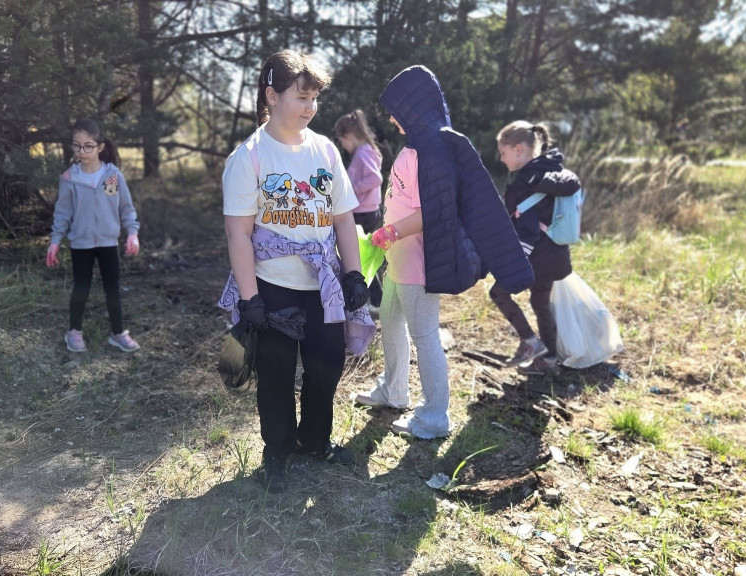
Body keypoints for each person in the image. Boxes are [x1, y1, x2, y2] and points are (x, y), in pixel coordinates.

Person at [218, 50, 374, 493]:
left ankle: (315, 441)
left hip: (322, 287)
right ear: (271, 95)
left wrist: (354, 274)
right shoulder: (248, 157)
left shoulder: (324, 150)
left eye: (314, 100)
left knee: (326, 368)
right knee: (277, 373)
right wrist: (251, 300)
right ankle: (278, 451)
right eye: (301, 98)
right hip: (272, 288)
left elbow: (344, 218)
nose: (310, 108)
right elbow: (238, 235)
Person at [351, 65, 534, 439]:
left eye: (396, 110)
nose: (390, 118)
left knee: (425, 336)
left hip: (419, 262)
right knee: (390, 321)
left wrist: (392, 230)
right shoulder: (415, 144)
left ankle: (435, 416)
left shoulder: (433, 148)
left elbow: (435, 210)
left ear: (413, 107)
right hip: (397, 259)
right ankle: (393, 390)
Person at [491, 121, 582, 375]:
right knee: (540, 303)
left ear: (518, 149)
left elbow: (528, 229)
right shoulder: (551, 170)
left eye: (503, 152)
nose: (502, 159)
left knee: (498, 293)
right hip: (555, 255)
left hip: (533, 256)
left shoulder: (525, 182)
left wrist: (514, 262)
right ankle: (550, 360)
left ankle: (530, 342)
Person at [47, 118, 141, 353]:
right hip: (81, 243)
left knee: (113, 288)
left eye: (88, 145)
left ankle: (118, 333)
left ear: (100, 147)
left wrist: (132, 233)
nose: (82, 151)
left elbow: (126, 208)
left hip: (108, 242)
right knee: (81, 287)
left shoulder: (112, 176)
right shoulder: (69, 178)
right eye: (77, 145)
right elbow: (63, 213)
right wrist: (55, 241)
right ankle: (74, 332)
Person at [334, 109, 384, 306]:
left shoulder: (363, 153)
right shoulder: (368, 151)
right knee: (360, 257)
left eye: (342, 141)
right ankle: (374, 301)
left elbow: (375, 178)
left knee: (357, 257)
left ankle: (375, 301)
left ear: (348, 136)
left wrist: (351, 190)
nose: (343, 146)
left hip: (362, 213)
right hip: (367, 211)